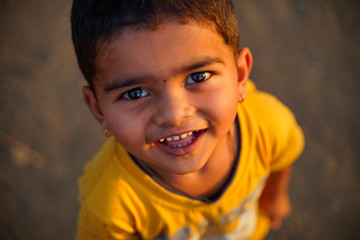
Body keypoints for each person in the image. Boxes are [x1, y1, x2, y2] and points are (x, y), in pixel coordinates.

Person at [71, 0, 305, 239]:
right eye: (135, 93)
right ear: (98, 109)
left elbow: (283, 158)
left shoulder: (267, 123)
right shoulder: (109, 205)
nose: (174, 115)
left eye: (198, 76)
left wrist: (275, 197)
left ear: (240, 76)